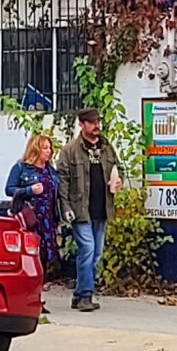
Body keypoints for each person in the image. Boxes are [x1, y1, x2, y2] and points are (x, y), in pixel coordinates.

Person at [57, 107, 122, 311]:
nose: (97, 126)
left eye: (98, 122)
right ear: (81, 124)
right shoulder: (69, 151)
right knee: (87, 249)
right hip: (80, 210)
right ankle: (86, 295)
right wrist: (65, 206)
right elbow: (63, 181)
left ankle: (78, 295)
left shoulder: (106, 148)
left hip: (102, 208)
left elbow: (118, 168)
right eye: (92, 122)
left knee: (96, 254)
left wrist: (118, 180)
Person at [5, 134, 61, 304]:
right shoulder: (21, 168)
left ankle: (37, 296)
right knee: (31, 255)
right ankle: (28, 297)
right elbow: (9, 189)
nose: (49, 151)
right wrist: (29, 190)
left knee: (44, 257)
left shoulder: (50, 170)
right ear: (35, 149)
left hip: (48, 219)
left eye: (50, 148)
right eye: (45, 148)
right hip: (30, 218)